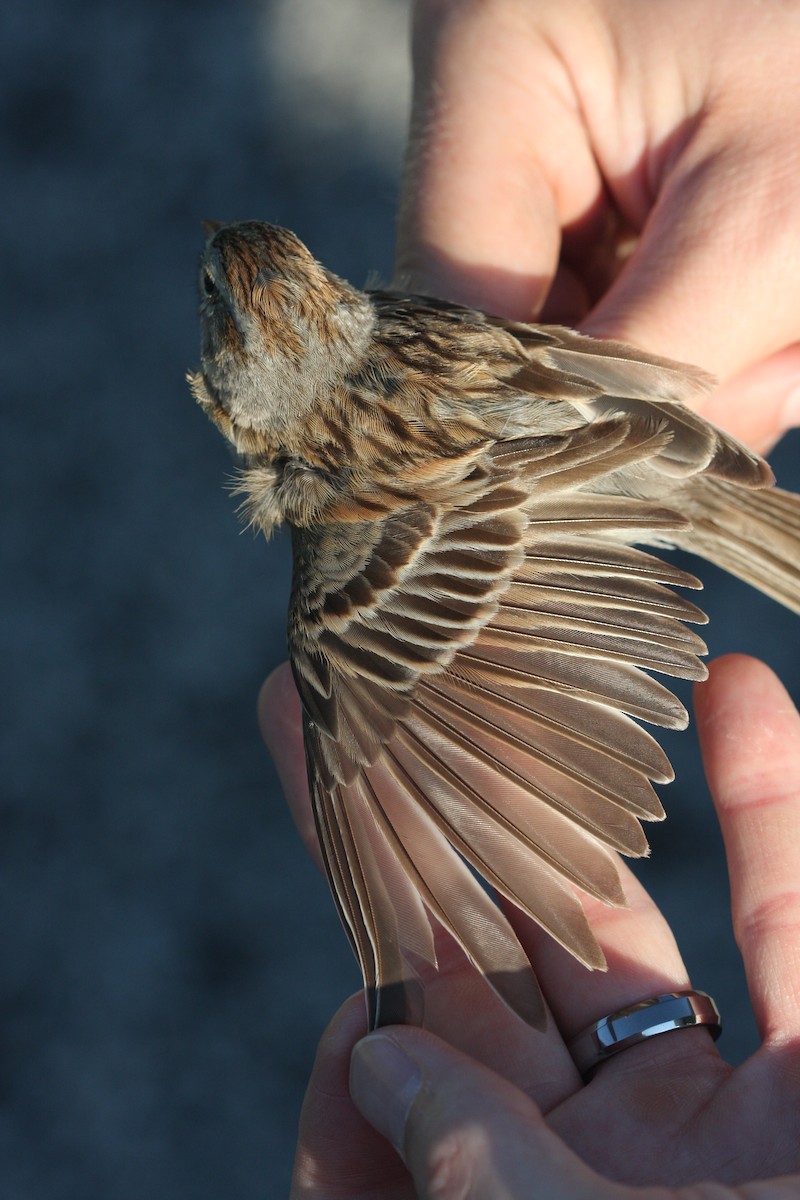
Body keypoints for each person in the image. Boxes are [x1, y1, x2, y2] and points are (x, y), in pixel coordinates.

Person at [260, 2, 800, 1194]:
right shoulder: (402, 325)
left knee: (342, 690)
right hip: (598, 424)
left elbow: (415, 710)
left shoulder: (341, 513)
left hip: (610, 461)